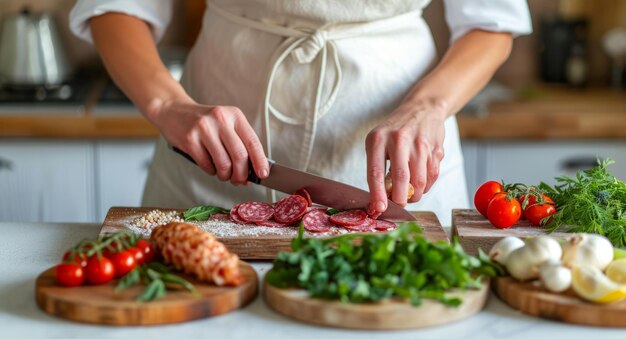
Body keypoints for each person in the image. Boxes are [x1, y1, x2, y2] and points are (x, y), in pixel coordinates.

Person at [70, 0, 531, 226]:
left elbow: (492, 23)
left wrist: (428, 105)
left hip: (401, 156)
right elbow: (114, 6)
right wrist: (169, 104)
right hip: (213, 153)